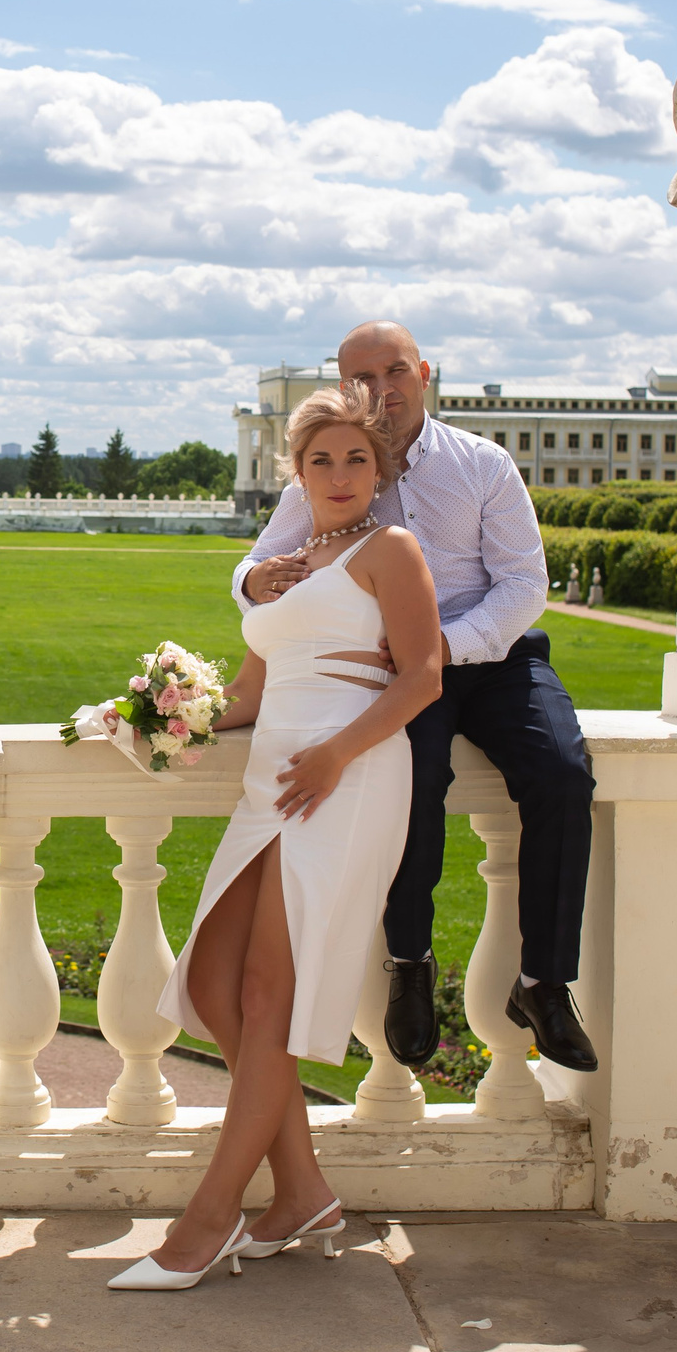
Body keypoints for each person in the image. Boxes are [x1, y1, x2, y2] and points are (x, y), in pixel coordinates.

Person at [111, 380, 444, 1291]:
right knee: (215, 984)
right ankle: (300, 1190)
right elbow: (253, 697)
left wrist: (337, 755)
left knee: (267, 993)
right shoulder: (291, 562)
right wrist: (150, 719)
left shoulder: (392, 549)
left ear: (381, 470)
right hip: (273, 782)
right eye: (320, 459)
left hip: (348, 775)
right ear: (295, 472)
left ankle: (208, 1220)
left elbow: (422, 678)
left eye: (357, 459)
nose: (339, 475)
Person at [234, 322, 598, 1077]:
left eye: (395, 371)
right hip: (396, 673)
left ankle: (545, 983)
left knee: (563, 772)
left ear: (426, 373)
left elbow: (525, 587)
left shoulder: (481, 464)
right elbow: (258, 564)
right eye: (361, 378)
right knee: (415, 779)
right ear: (341, 386)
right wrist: (250, 583)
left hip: (492, 656)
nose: (382, 390)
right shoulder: (339, 466)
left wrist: (434, 648)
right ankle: (410, 962)